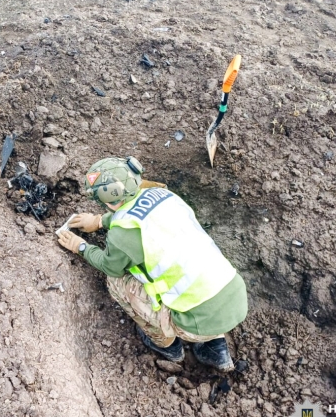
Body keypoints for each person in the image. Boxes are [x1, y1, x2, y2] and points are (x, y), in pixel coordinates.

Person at [57, 156, 248, 372]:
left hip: (197, 322)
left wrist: (81, 247)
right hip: (235, 296)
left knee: (117, 282)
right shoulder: (165, 195)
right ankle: (214, 347)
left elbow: (110, 266)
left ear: (107, 199)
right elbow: (139, 213)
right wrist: (100, 221)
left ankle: (168, 345)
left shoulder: (122, 236)